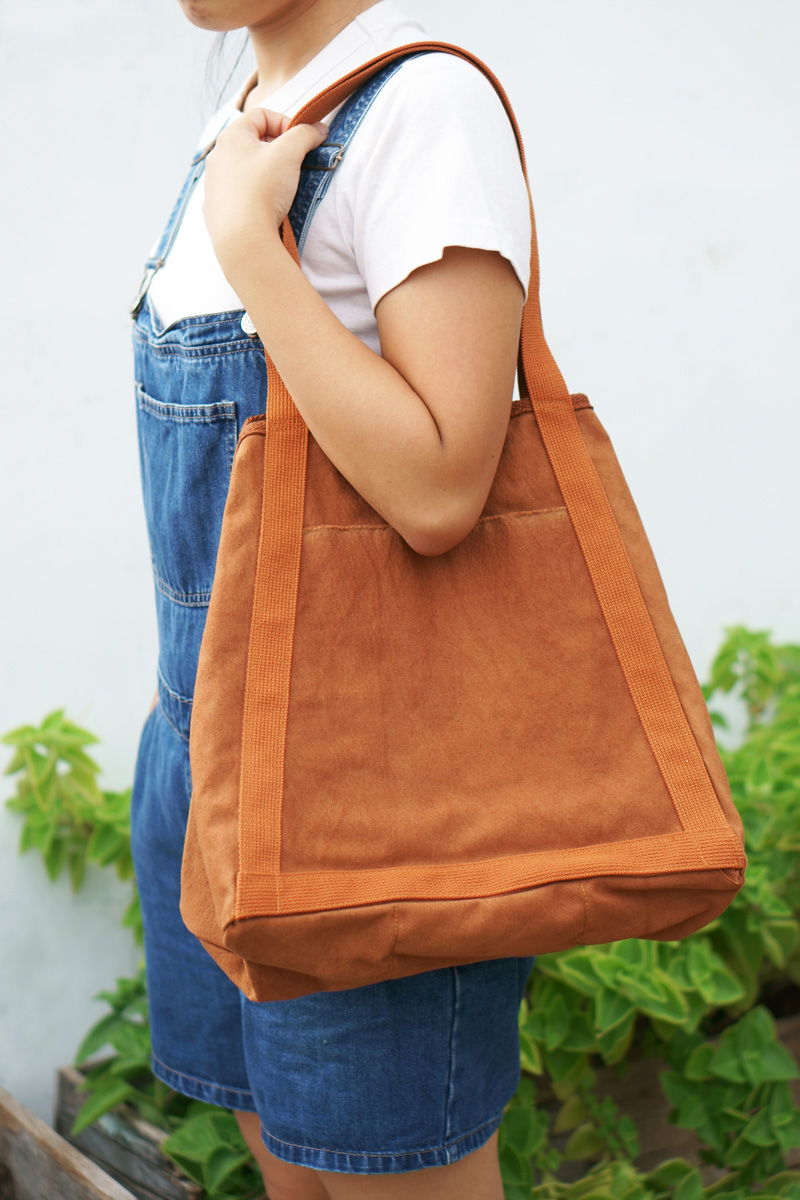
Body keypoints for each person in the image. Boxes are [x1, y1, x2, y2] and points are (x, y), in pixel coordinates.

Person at [129, 1, 535, 1196]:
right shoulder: (242, 124)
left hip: (361, 800)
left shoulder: (422, 108)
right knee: (289, 1170)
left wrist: (255, 254)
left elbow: (441, 486)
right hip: (203, 767)